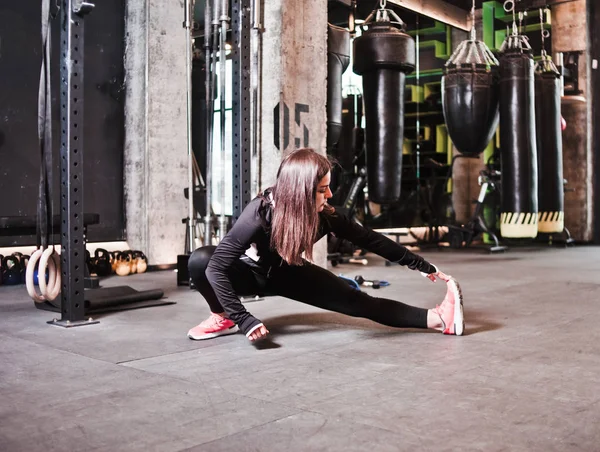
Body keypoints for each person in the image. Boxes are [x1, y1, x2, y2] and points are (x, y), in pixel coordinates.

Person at [187, 148, 464, 342]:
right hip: (249, 275)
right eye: (322, 190)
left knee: (360, 302)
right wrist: (243, 318)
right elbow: (216, 269)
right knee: (201, 260)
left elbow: (370, 239)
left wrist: (419, 264)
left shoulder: (326, 217)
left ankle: (440, 319)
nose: (329, 194)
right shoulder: (258, 214)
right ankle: (222, 316)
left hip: (289, 274)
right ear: (300, 192)